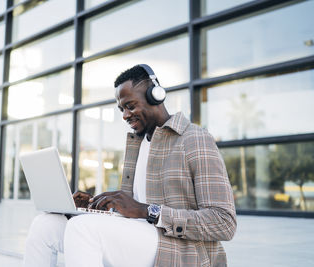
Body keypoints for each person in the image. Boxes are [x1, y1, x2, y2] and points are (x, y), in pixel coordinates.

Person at [23, 64, 236, 267]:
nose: (125, 115)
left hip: (178, 249)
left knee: (83, 230)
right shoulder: (138, 143)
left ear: (156, 96)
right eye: (121, 109)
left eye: (130, 106)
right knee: (46, 225)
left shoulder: (194, 139)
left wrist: (147, 211)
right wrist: (91, 208)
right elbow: (132, 210)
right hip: (140, 238)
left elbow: (224, 222)